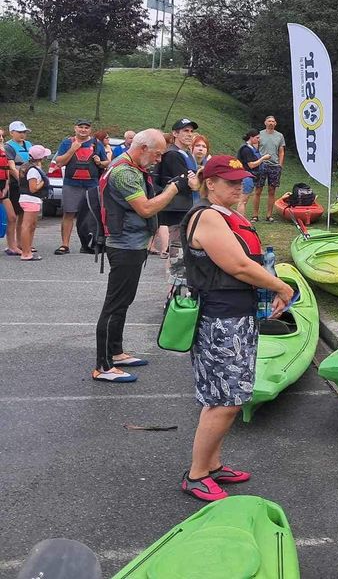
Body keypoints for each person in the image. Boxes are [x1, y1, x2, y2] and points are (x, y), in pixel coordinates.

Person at [181, 154, 294, 501]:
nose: (238, 186)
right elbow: (239, 266)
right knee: (225, 401)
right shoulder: (209, 217)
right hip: (221, 320)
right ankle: (197, 474)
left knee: (226, 395)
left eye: (240, 180)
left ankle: (212, 464)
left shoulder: (227, 215)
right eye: (229, 181)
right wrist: (281, 286)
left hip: (234, 316)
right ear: (209, 183)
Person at [94, 129, 194, 382]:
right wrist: (174, 188)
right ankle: (103, 366)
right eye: (158, 155)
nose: (159, 160)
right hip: (124, 246)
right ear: (142, 148)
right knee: (115, 304)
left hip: (133, 244)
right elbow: (147, 209)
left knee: (123, 301)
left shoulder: (134, 168)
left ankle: (115, 352)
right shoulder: (124, 172)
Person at [53, 118, 109, 255]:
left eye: (86, 127)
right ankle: (65, 245)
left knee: (91, 215)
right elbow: (59, 162)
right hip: (71, 183)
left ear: (90, 130)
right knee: (68, 213)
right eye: (81, 127)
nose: (83, 130)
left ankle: (90, 244)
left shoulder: (97, 144)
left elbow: (107, 163)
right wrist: (72, 150)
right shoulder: (67, 143)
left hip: (92, 184)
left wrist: (100, 162)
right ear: (75, 128)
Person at [156, 118, 200, 286]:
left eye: (191, 131)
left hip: (186, 206)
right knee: (177, 251)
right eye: (185, 131)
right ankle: (173, 290)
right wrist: (196, 180)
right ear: (175, 134)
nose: (189, 135)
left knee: (183, 250)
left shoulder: (187, 153)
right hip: (177, 209)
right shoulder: (173, 154)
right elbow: (189, 183)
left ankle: (179, 286)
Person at [15, 145, 51, 260]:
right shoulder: (33, 171)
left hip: (28, 199)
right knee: (27, 226)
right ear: (41, 158)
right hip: (31, 199)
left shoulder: (27, 167)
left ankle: (27, 249)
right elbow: (33, 188)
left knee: (31, 225)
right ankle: (26, 253)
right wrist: (44, 182)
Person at [5, 121, 33, 254]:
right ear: (11, 133)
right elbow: (11, 167)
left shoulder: (28, 145)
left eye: (24, 132)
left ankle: (22, 242)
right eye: (19, 132)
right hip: (15, 184)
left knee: (23, 213)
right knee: (14, 214)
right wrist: (22, 181)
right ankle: (13, 243)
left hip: (28, 182)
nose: (22, 134)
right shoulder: (8, 146)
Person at [251, 115, 286, 222]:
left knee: (272, 191)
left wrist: (280, 165)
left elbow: (281, 151)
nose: (271, 123)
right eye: (269, 121)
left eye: (273, 121)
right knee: (258, 190)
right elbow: (255, 149)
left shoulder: (279, 136)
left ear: (275, 124)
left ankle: (269, 215)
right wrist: (257, 162)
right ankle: (255, 215)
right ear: (265, 123)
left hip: (274, 166)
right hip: (262, 165)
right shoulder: (260, 135)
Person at [236, 130, 269, 213]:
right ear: (251, 137)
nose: (258, 139)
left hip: (251, 177)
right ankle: (240, 220)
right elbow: (251, 165)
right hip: (246, 177)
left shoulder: (252, 148)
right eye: (257, 138)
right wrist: (263, 158)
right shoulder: (246, 149)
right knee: (243, 201)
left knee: (244, 201)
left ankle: (241, 220)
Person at [0, 127, 20, 256]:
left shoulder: (3, 150)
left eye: (2, 136)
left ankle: (12, 246)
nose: (1, 138)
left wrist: (6, 186)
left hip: (3, 189)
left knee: (12, 217)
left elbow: (6, 169)